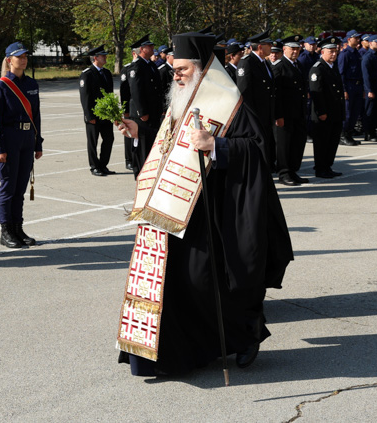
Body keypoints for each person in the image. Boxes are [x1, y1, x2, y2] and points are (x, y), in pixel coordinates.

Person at [116, 32, 293, 376]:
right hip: (178, 207)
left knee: (212, 280)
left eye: (181, 69)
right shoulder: (181, 99)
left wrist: (216, 145)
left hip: (219, 210)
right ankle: (187, 353)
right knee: (181, 282)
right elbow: (173, 146)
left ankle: (247, 334)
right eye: (174, 69)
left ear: (201, 68)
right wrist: (140, 132)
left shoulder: (229, 102)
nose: (175, 75)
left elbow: (256, 150)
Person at [0, 42, 43, 248]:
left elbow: (37, 115)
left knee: (20, 187)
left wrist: (37, 142)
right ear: (9, 60)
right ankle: (6, 231)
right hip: (10, 138)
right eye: (18, 57)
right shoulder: (1, 86)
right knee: (8, 187)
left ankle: (17, 228)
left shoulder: (32, 84)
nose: (23, 60)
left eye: (25, 56)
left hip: (26, 138)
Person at [236, 31, 278, 168]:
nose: (271, 46)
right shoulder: (247, 62)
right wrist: (251, 118)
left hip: (265, 115)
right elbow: (244, 93)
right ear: (260, 47)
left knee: (266, 148)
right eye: (269, 44)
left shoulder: (264, 63)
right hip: (255, 116)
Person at [127, 35, 166, 177]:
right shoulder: (136, 66)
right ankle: (141, 174)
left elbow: (157, 89)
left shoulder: (150, 65)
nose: (152, 48)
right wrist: (142, 112)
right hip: (143, 116)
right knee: (142, 146)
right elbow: (136, 91)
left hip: (153, 113)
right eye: (149, 46)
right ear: (142, 49)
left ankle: (150, 172)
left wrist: (160, 109)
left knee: (151, 145)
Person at [273, 35, 308, 185]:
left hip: (298, 111)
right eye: (292, 49)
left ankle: (293, 171)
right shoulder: (279, 66)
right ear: (284, 49)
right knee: (284, 144)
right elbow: (275, 94)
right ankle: (284, 173)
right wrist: (278, 115)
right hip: (285, 113)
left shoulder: (297, 65)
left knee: (297, 143)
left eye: (297, 48)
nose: (295, 51)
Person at [309, 35, 344, 178]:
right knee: (322, 142)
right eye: (330, 51)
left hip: (335, 112)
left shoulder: (332, 67)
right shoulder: (318, 69)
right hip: (324, 114)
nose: (334, 54)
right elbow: (317, 93)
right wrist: (321, 111)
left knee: (332, 141)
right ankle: (320, 168)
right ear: (322, 52)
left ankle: (327, 166)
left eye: (335, 51)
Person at [79, 45, 115, 176]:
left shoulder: (106, 73)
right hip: (93, 115)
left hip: (106, 115)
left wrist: (113, 113)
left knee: (109, 139)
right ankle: (94, 166)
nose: (105, 57)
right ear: (95, 58)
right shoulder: (87, 74)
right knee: (93, 142)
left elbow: (109, 94)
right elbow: (85, 97)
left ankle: (103, 165)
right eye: (102, 55)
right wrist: (89, 116)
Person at [337, 30, 364, 146]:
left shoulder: (356, 53)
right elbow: (341, 73)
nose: (358, 40)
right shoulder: (345, 54)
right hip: (349, 85)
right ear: (349, 39)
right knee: (347, 112)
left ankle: (349, 134)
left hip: (357, 85)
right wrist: (344, 90)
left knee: (355, 112)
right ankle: (342, 135)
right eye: (356, 38)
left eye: (358, 38)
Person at [361, 35, 377, 142]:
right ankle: (368, 133)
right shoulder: (367, 57)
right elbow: (366, 76)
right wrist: (369, 90)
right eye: (376, 42)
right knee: (369, 111)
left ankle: (373, 132)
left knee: (376, 110)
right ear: (370, 43)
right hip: (372, 86)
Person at [119, 48, 138, 171]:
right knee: (128, 133)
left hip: (140, 108)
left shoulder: (142, 67)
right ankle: (129, 160)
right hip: (130, 107)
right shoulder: (127, 68)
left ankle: (136, 158)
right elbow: (124, 91)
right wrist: (125, 109)